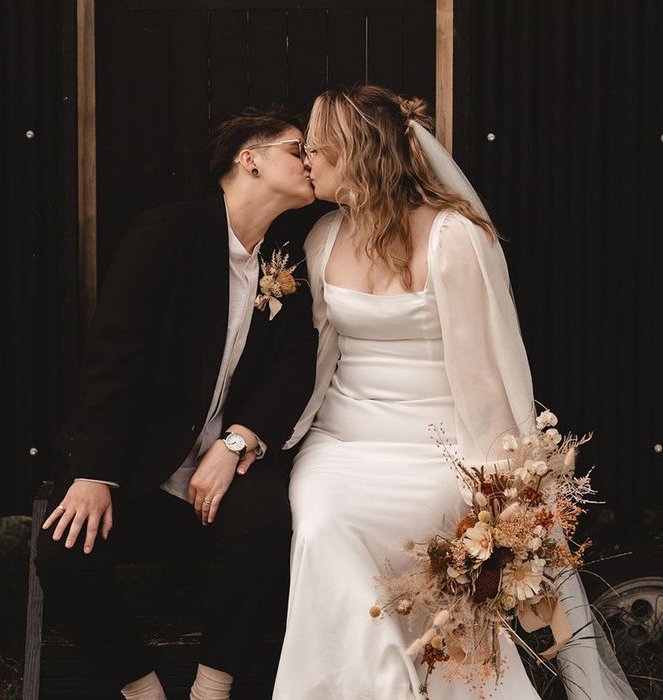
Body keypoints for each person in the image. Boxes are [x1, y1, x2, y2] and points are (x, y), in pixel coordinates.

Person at [272, 86, 636, 699]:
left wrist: (501, 495)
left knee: (433, 542)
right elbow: (314, 358)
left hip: (435, 445)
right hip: (341, 439)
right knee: (321, 522)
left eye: (317, 147)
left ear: (355, 152)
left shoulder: (453, 237)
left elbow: (485, 375)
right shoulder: (322, 238)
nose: (306, 158)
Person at [35, 107, 318, 700]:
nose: (311, 161)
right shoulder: (167, 234)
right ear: (251, 159)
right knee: (63, 554)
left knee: (269, 527)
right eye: (298, 149)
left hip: (226, 463)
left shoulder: (286, 258)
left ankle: (213, 686)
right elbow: (115, 357)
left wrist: (237, 440)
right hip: (141, 457)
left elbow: (295, 368)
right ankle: (142, 691)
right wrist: (94, 473)